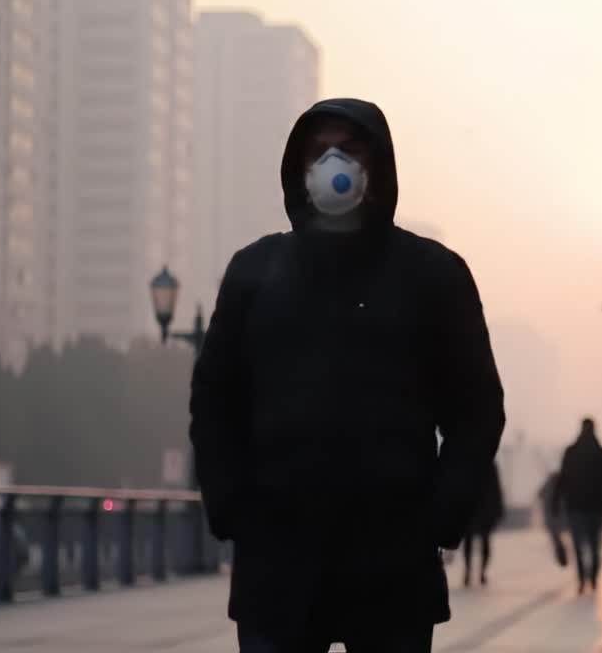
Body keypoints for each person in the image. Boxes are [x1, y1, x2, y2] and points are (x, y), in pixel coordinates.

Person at [189, 98, 506, 653]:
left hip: (392, 561)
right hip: (278, 558)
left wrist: (440, 516)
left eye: (350, 147)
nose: (333, 160)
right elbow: (215, 399)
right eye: (318, 149)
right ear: (297, 167)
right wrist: (230, 503)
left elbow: (478, 409)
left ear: (379, 164)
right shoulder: (255, 271)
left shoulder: (433, 275)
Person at [555, 418, 602, 594]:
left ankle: (582, 579)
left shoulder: (571, 452)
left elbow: (562, 478)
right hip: (596, 506)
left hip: (575, 506)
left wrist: (556, 502)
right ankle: (593, 579)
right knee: (595, 545)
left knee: (579, 544)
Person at [462, 460, 504, 587]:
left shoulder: (468, 463)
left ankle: (472, 571)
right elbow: (497, 489)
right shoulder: (490, 464)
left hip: (475, 510)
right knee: (482, 542)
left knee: (470, 542)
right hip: (482, 510)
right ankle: (479, 572)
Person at [538, 472, 568, 568]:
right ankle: (562, 555)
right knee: (558, 539)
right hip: (560, 518)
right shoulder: (562, 487)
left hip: (551, 519)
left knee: (556, 539)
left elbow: (539, 495)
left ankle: (561, 555)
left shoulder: (547, 486)